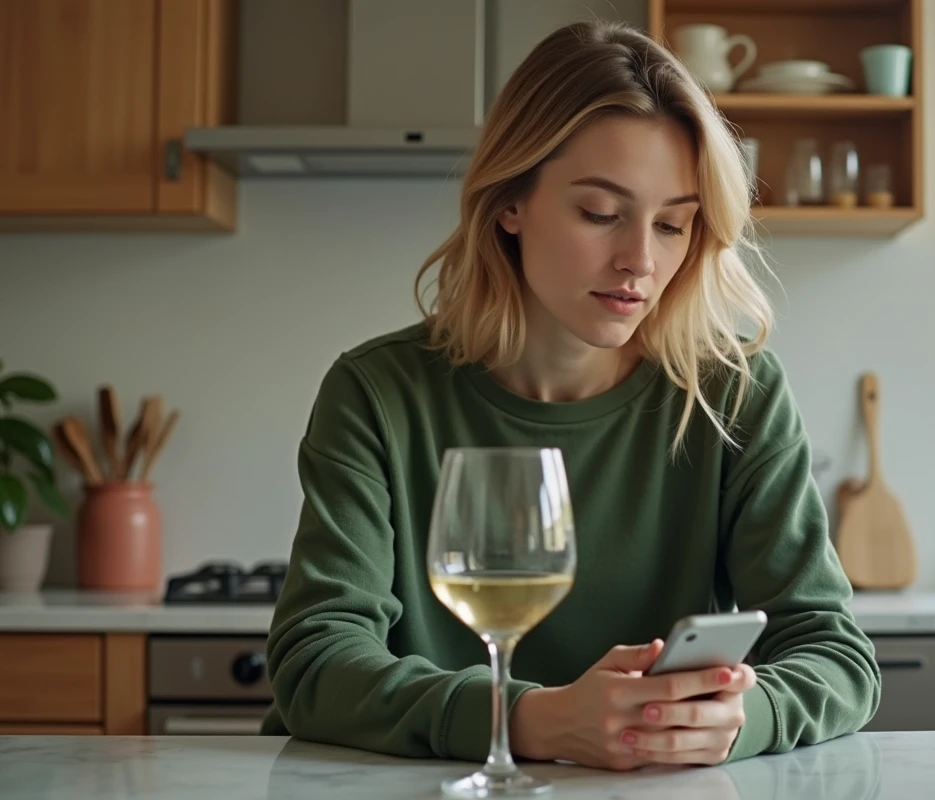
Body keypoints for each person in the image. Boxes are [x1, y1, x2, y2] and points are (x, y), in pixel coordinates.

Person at [261, 18, 881, 771]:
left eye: (673, 224)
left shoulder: (735, 395)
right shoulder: (378, 394)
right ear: (510, 202)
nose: (639, 261)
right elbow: (314, 662)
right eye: (599, 213)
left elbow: (835, 653)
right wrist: (529, 721)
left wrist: (744, 716)